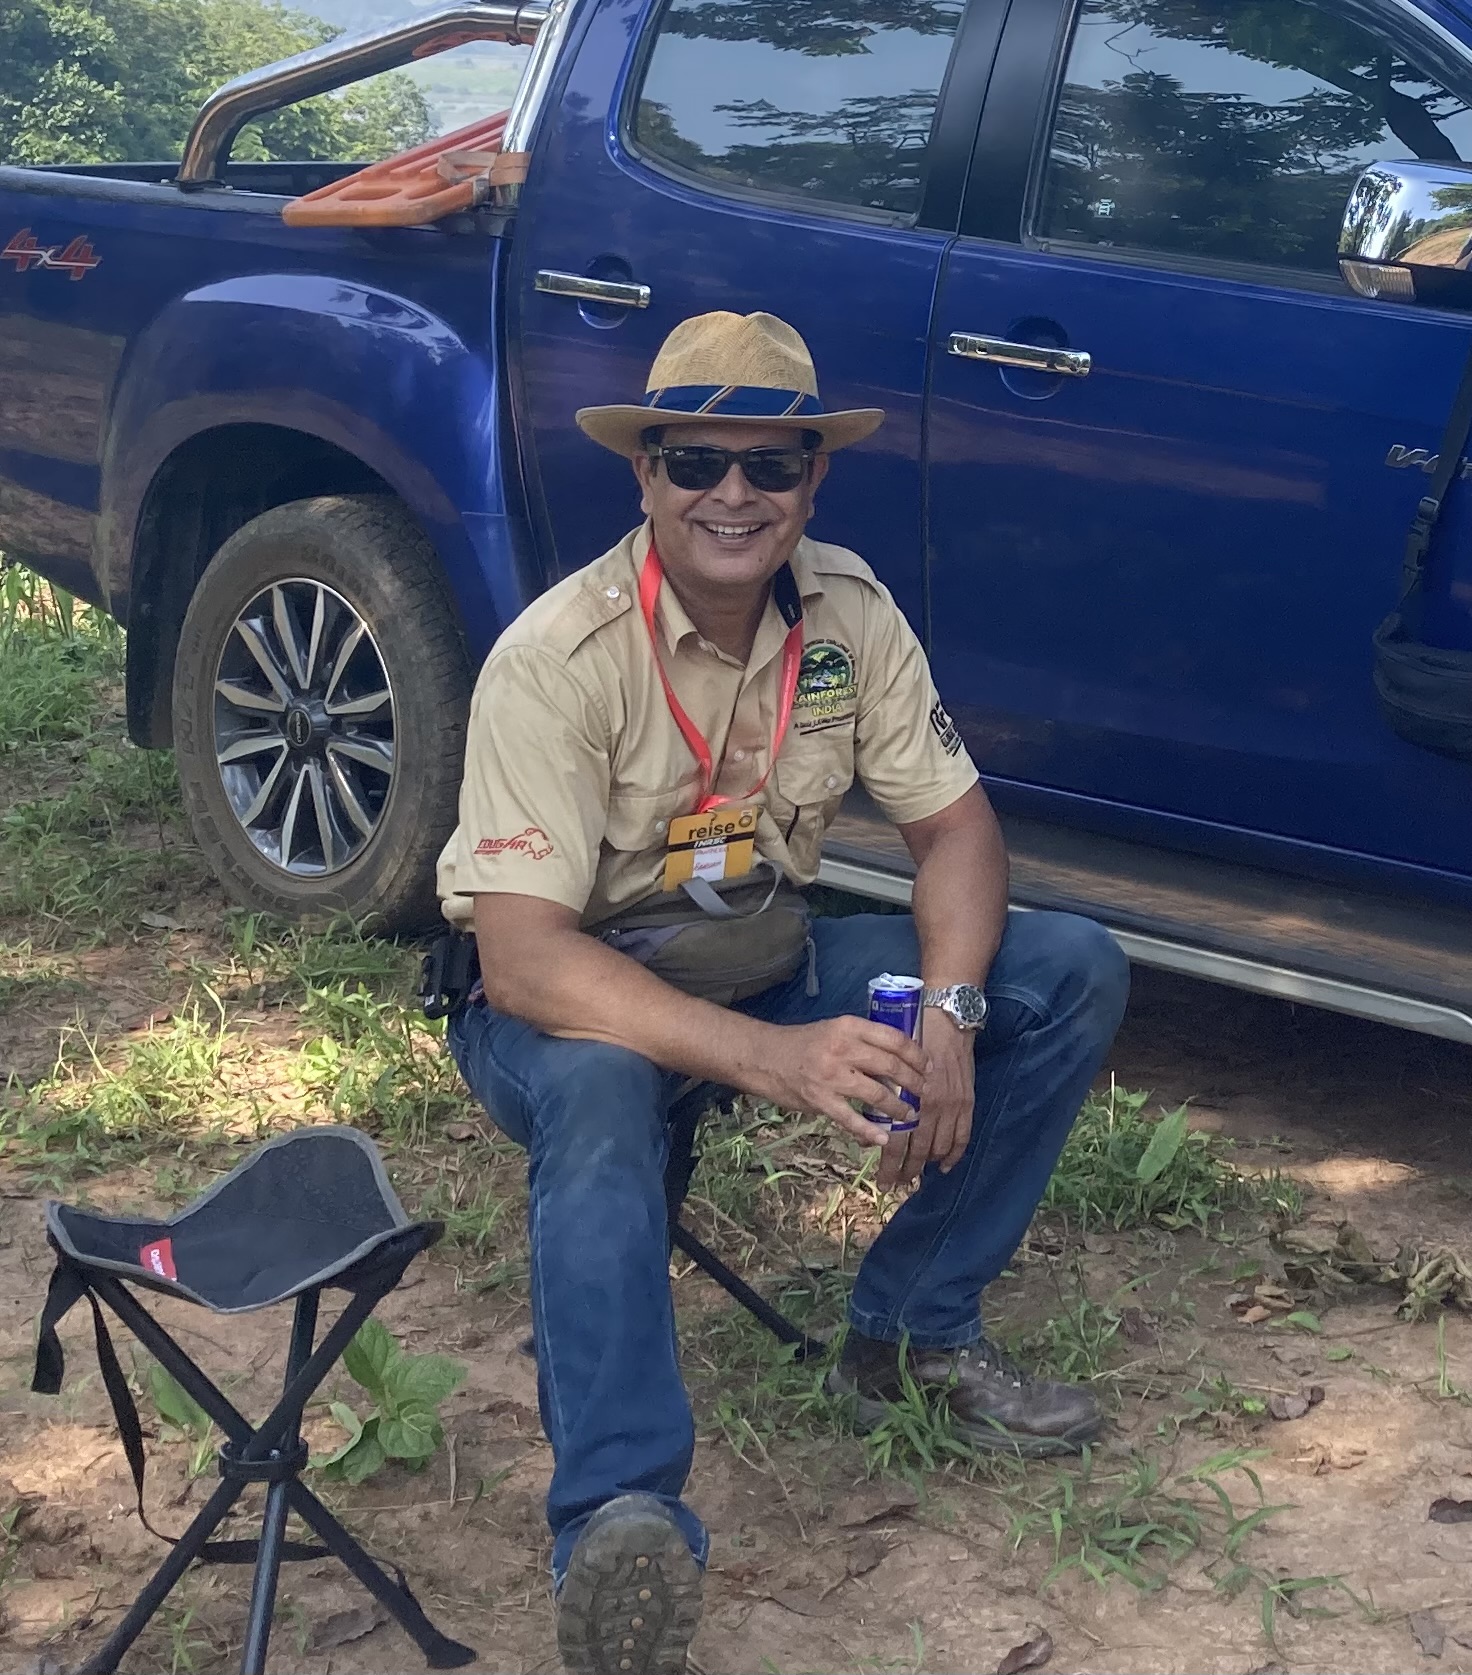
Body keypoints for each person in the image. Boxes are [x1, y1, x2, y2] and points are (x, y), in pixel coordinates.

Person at [436, 311, 1129, 1675]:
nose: (734, 495)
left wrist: (951, 1014)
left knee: (1067, 967)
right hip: (579, 992)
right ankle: (619, 1515)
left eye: (771, 464)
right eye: (698, 463)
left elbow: (959, 836)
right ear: (646, 476)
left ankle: (910, 1337)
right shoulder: (558, 656)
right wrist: (777, 1060)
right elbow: (524, 959)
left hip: (766, 952)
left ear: (816, 480)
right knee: (599, 1090)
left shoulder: (846, 615)